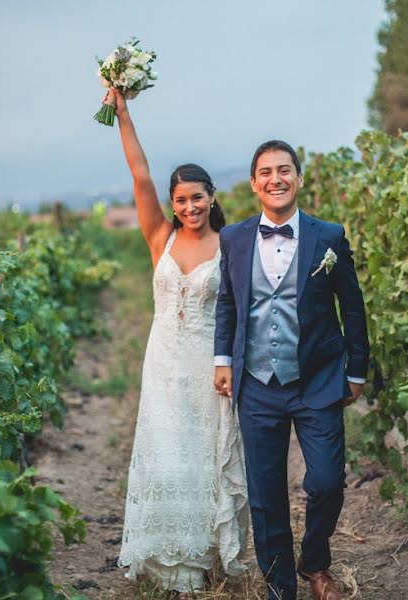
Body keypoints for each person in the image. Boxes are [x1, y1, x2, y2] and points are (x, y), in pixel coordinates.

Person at [105, 88, 249, 597]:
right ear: (173, 203)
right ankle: (169, 562)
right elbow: (139, 174)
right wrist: (124, 113)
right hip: (163, 359)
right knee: (166, 450)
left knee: (205, 453)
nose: (190, 206)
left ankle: (207, 555)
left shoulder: (230, 244)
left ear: (212, 197)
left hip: (208, 363)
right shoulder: (158, 238)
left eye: (197, 197)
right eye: (181, 200)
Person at [213, 140, 369, 600]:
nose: (275, 179)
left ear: (299, 179)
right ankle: (281, 585)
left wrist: (356, 369)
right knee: (266, 494)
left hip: (317, 379)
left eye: (285, 170)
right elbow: (228, 302)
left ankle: (315, 560)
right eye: (266, 172)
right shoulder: (235, 238)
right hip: (257, 384)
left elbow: (353, 306)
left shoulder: (329, 236)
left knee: (326, 481)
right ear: (254, 183)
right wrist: (223, 359)